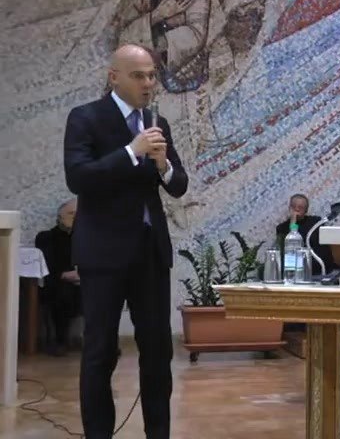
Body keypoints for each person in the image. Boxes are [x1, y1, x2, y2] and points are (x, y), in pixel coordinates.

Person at [64, 44, 188, 439]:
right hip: (104, 254)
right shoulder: (85, 118)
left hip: (150, 253)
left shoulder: (157, 122)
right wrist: (131, 152)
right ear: (114, 77)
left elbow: (179, 186)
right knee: (100, 352)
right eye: (138, 76)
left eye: (152, 75)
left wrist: (163, 165)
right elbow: (79, 178)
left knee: (158, 353)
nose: (148, 83)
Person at [34, 198, 82, 356]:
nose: (76, 217)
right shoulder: (47, 237)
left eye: (79, 214)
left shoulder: (87, 237)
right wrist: (67, 275)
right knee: (63, 294)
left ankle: (104, 343)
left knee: (106, 293)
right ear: (60, 217)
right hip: (58, 282)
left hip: (85, 281)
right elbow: (49, 267)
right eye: (71, 213)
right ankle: (60, 341)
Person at [274, 193, 336, 274]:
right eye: (293, 206)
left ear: (306, 210)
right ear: (289, 208)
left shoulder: (316, 222)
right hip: (295, 270)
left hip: (319, 266)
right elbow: (290, 246)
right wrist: (293, 222)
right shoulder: (282, 228)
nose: (296, 209)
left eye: (300, 207)